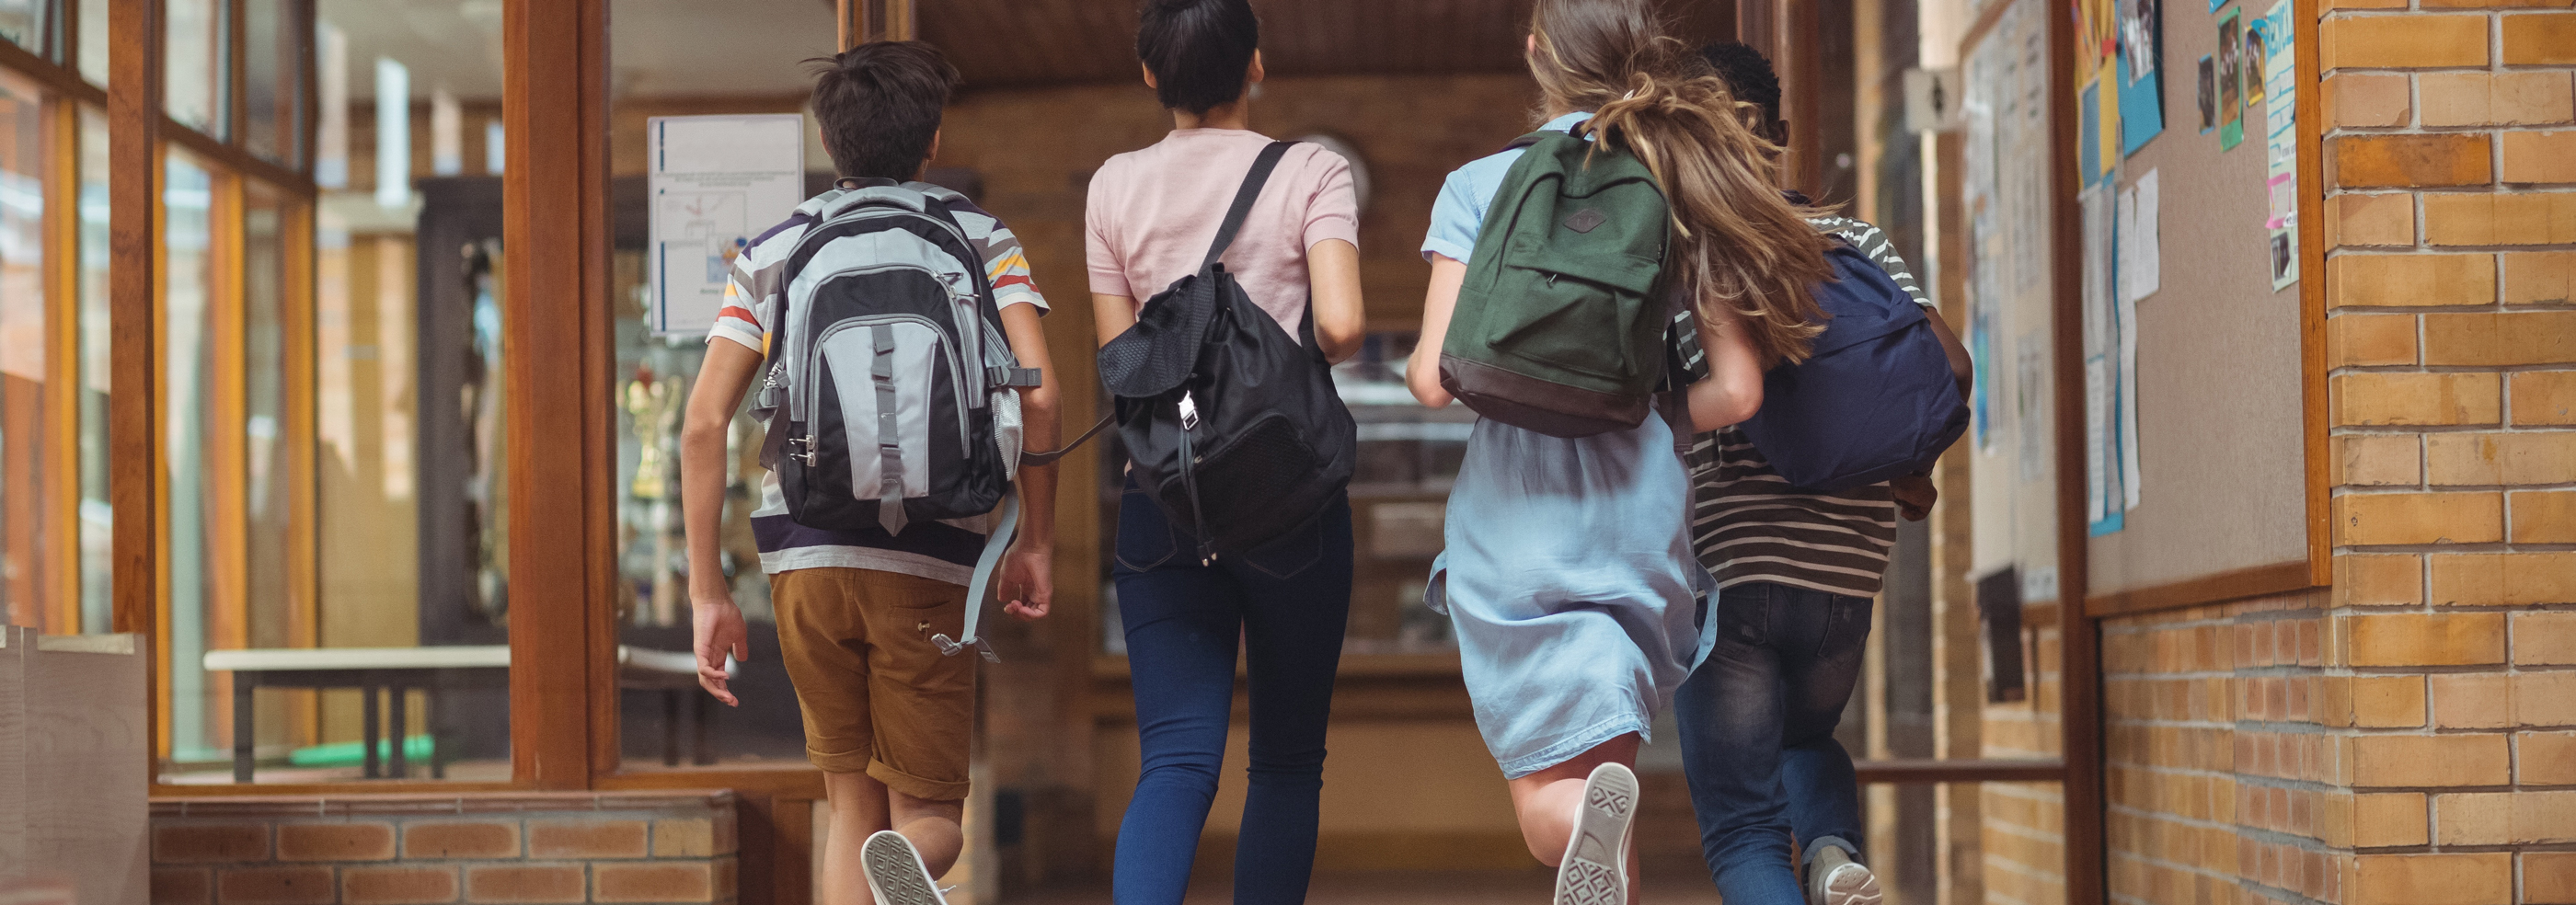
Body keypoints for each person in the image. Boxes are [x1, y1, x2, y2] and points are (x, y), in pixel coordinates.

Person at [1405, 4, 1839, 902]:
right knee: (1606, 772)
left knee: (1543, 794)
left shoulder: (1479, 183)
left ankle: (1575, 820)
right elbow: (1739, 390)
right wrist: (1648, 414)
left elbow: (1429, 381)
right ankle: (1596, 820)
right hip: (1636, 527)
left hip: (1515, 520)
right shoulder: (1684, 179)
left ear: (1536, 53)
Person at [680, 40, 1062, 905]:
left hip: (805, 560)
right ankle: (908, 864)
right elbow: (1043, 400)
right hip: (929, 558)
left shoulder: (774, 249)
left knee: (849, 806)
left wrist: (709, 592)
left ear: (830, 141)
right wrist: (1037, 539)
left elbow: (703, 422)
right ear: (932, 142)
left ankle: (884, 867)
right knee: (931, 818)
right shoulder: (980, 237)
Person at [1671, 40, 1974, 905]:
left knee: (1741, 830)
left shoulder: (1690, 257)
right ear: (1783, 132)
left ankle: (1812, 862)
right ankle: (1836, 857)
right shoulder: (1855, 237)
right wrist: (1913, 472)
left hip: (1736, 570)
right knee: (1808, 741)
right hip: (1847, 572)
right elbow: (1948, 365)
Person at [1083, 1, 1367, 902]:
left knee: (1173, 760)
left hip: (1162, 502)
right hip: (1292, 505)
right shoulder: (1311, 171)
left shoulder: (1113, 186)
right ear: (1255, 65)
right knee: (1285, 760)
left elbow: (1122, 365)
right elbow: (1344, 324)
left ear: (1149, 76)